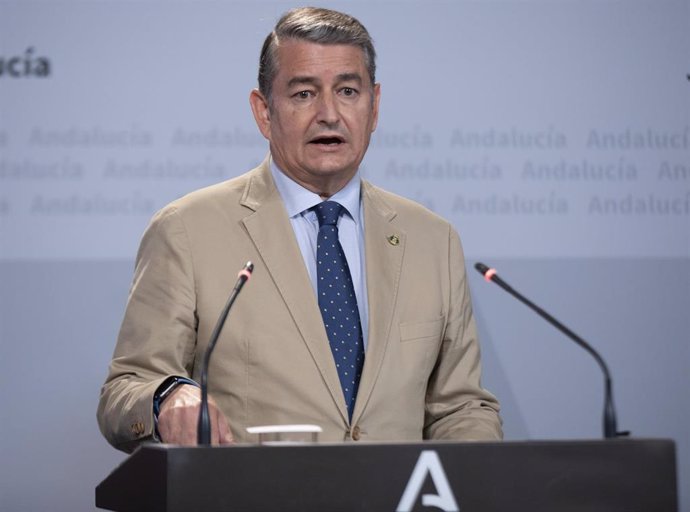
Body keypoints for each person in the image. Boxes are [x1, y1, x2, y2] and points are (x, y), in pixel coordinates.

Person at [97, 7, 502, 452]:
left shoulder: (433, 240)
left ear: (374, 106)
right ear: (264, 112)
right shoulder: (187, 230)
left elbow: (460, 407)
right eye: (304, 94)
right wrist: (166, 397)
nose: (329, 113)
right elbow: (125, 390)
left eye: (348, 90)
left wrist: (475, 480)